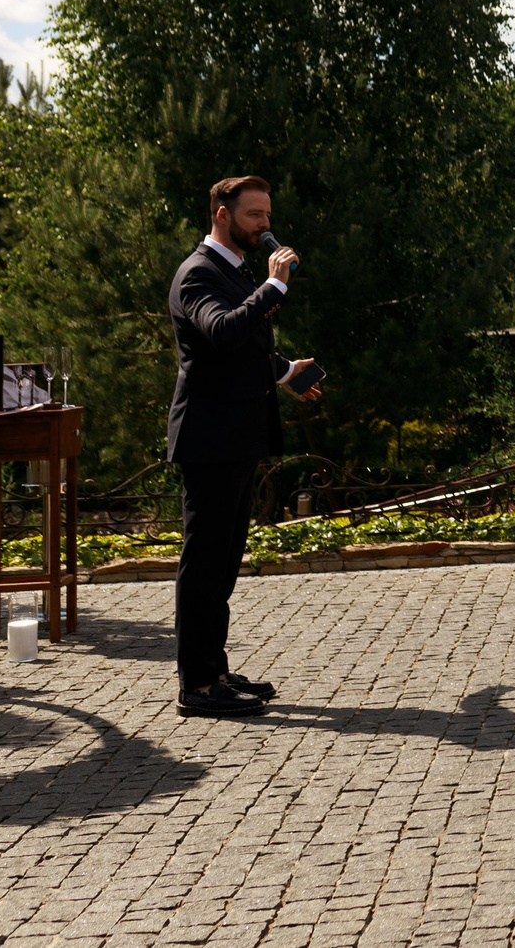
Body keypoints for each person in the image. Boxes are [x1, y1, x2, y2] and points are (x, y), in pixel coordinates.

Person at [166, 175, 320, 718]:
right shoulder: (197, 274)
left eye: (267, 214)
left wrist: (285, 371)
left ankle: (216, 671)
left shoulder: (234, 272)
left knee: (224, 563)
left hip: (235, 436)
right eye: (255, 214)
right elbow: (222, 332)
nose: (266, 225)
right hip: (208, 438)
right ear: (222, 215)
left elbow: (239, 352)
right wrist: (274, 287)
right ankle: (197, 686)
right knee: (204, 563)